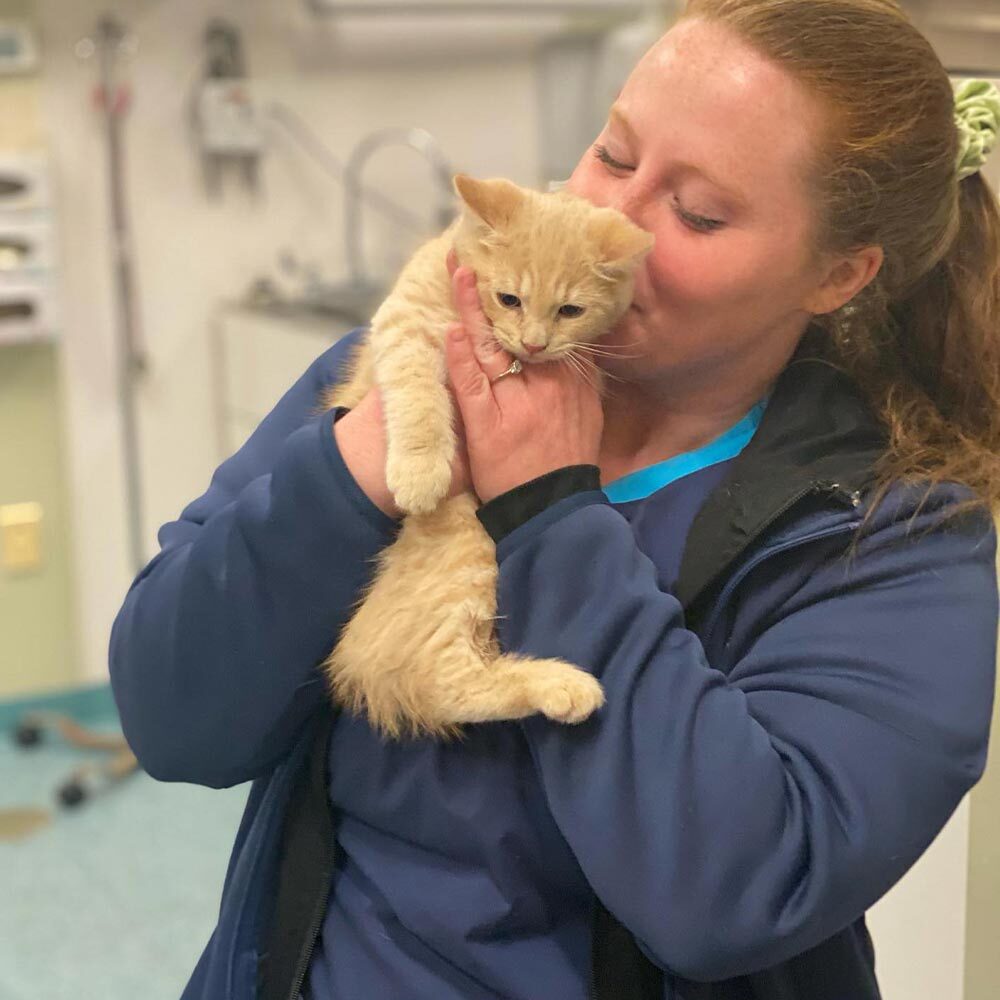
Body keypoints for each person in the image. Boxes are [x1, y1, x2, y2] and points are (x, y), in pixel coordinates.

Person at [109, 1, 1000, 998]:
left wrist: (551, 513)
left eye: (697, 212)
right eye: (612, 154)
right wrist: (349, 474)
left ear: (838, 274)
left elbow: (732, 894)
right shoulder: (407, 382)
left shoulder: (891, 535)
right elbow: (171, 714)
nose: (611, 218)